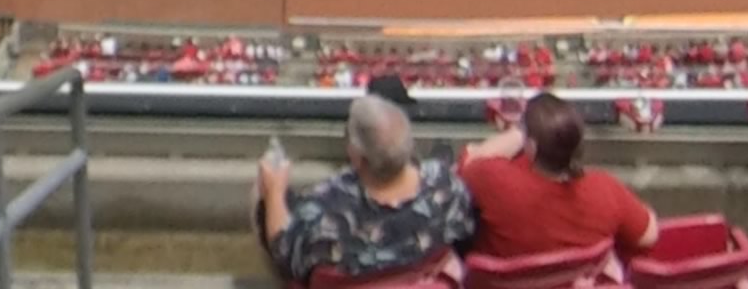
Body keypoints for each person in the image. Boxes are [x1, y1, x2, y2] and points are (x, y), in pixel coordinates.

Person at [257, 95, 478, 285]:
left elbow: (284, 253)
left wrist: (274, 192)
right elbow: (467, 234)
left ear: (357, 156)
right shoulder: (447, 188)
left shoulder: (323, 214)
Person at [459, 91, 660, 261]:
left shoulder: (494, 180)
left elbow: (469, 161)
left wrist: (521, 132)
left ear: (532, 145)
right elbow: (649, 235)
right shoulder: (606, 190)